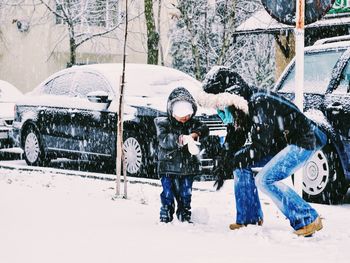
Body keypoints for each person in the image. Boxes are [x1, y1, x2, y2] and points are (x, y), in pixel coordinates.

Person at [196, 66, 327, 237]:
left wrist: (233, 159)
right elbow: (236, 138)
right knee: (241, 167)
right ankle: (249, 218)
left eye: (220, 105)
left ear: (230, 97)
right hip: (282, 144)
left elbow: (260, 147)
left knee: (265, 180)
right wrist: (225, 158)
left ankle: (307, 218)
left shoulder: (259, 103)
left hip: (303, 141)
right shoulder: (242, 107)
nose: (220, 111)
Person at [154, 87, 209, 223]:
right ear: (172, 112)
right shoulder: (163, 124)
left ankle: (184, 212)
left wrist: (196, 134)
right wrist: (180, 139)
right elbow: (164, 140)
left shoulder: (194, 124)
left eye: (187, 116)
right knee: (168, 192)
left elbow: (204, 129)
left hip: (187, 167)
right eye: (181, 116)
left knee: (186, 193)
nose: (185, 119)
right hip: (168, 166)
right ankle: (166, 212)